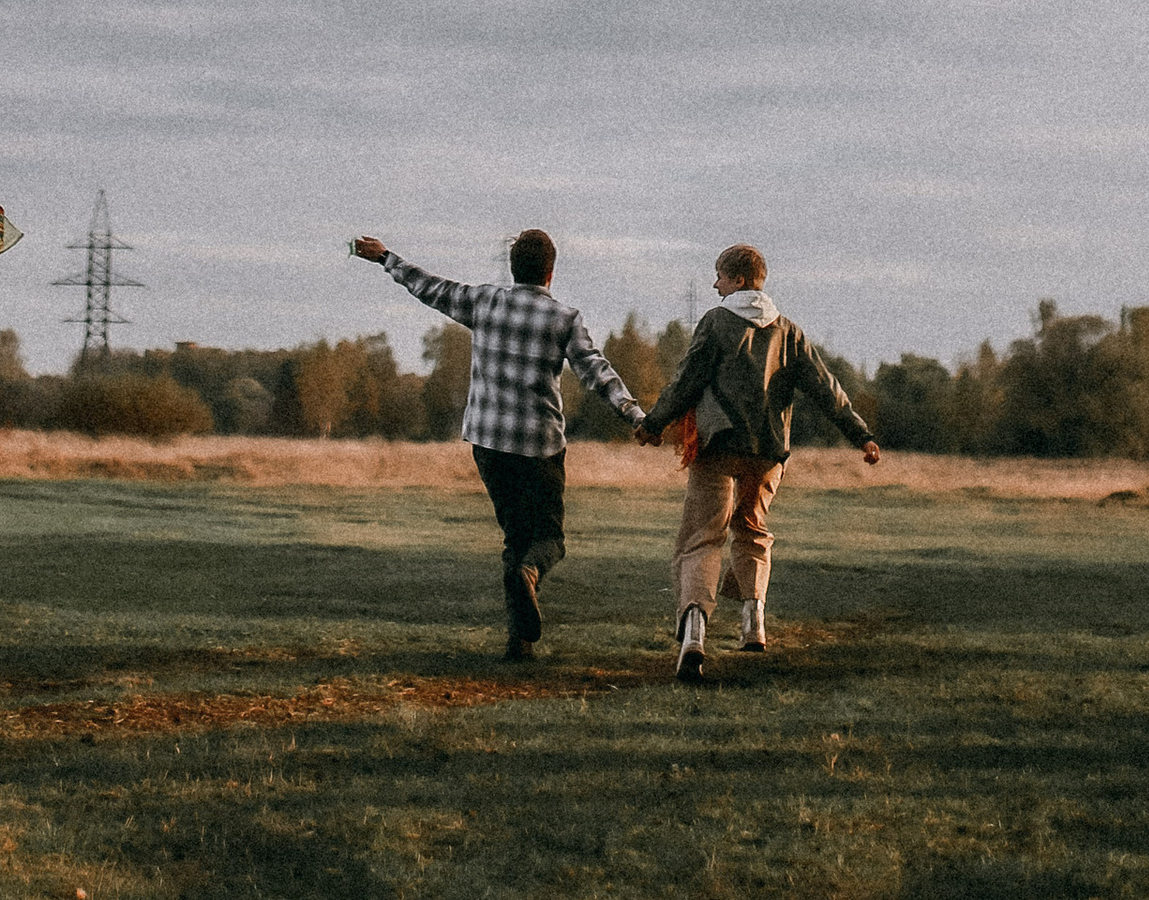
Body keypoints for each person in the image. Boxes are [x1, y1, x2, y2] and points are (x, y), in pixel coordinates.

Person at [351, 228, 646, 655]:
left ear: (513, 268)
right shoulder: (564, 318)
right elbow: (597, 372)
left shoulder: (485, 302)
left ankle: (519, 643)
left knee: (515, 538)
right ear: (550, 272)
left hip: (489, 443)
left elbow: (429, 287)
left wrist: (385, 257)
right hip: (539, 447)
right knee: (548, 540)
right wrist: (635, 415)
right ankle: (531, 575)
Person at [638, 243, 882, 680]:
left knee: (701, 539)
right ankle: (754, 619)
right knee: (752, 529)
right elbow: (826, 388)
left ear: (737, 280)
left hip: (718, 447)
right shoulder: (788, 331)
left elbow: (687, 379)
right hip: (768, 453)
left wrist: (654, 423)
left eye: (719, 276)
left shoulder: (715, 322)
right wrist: (861, 435)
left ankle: (694, 633)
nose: (714, 284)